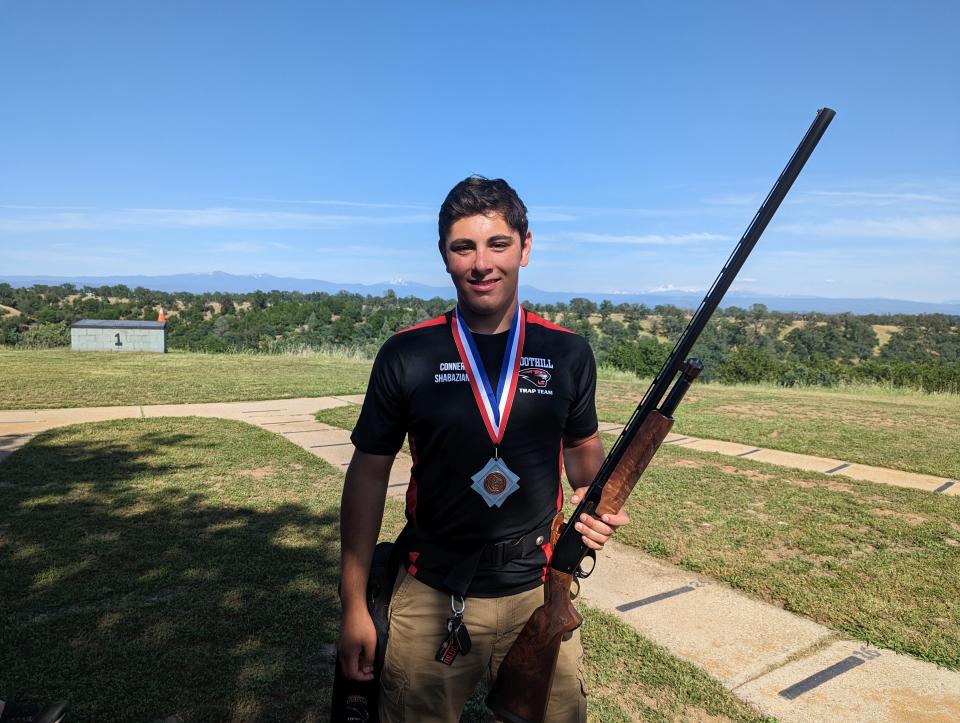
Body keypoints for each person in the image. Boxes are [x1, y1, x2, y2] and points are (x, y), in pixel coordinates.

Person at [337, 176, 629, 722]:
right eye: (462, 247)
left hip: (538, 593)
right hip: (430, 591)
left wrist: (597, 498)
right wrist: (354, 603)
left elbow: (582, 449)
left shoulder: (565, 351)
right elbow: (368, 475)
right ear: (444, 256)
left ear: (526, 247)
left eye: (498, 244)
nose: (481, 263)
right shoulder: (408, 354)